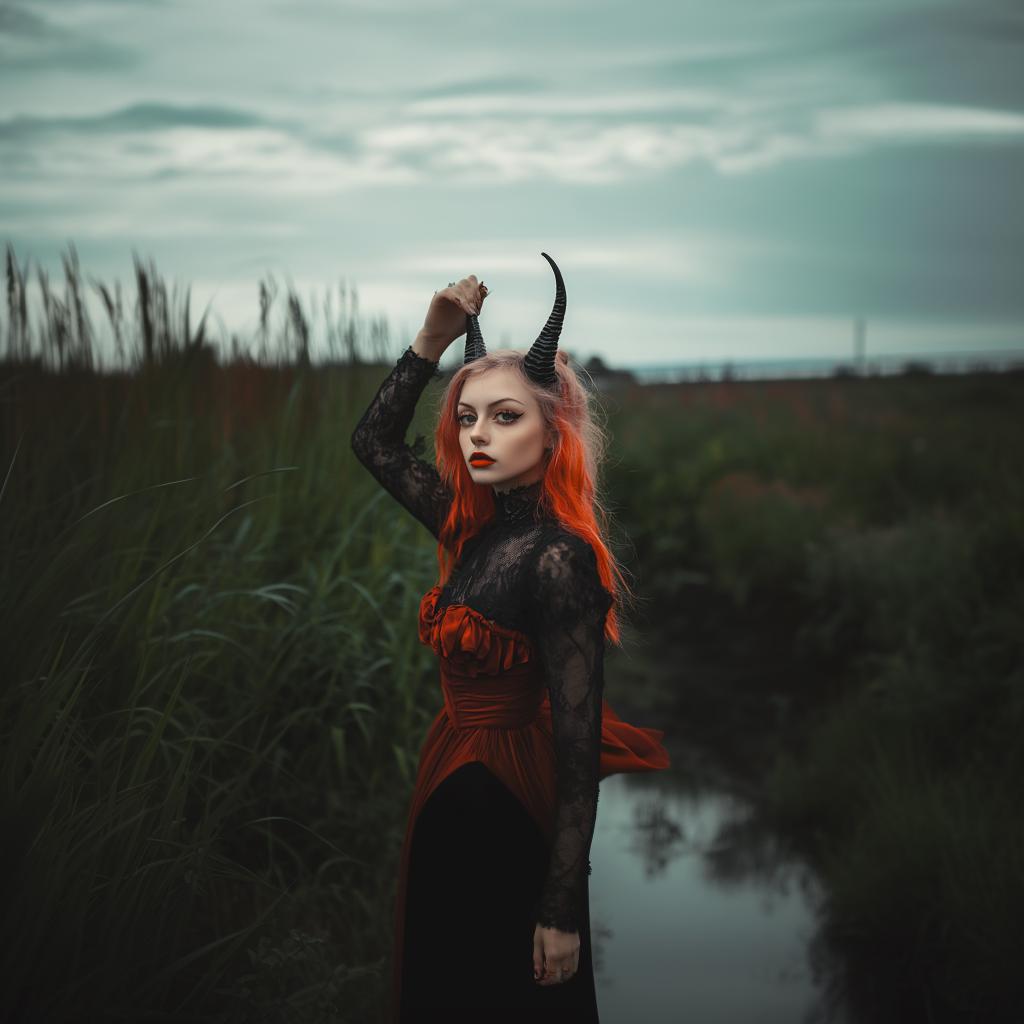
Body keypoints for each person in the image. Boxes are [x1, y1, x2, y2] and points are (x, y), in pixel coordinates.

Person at [350, 253, 671, 1022]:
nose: (478, 436)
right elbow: (375, 445)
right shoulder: (471, 528)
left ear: (552, 428)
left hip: (511, 807)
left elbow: (577, 744)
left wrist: (561, 905)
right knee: (446, 984)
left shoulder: (560, 559)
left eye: (505, 415)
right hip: (447, 781)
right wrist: (431, 338)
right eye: (466, 417)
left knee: (508, 996)